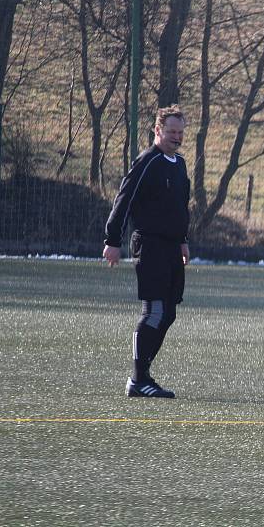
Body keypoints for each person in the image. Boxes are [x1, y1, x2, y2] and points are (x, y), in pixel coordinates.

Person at [103, 105, 191, 399]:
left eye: (180, 132)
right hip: (149, 245)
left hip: (170, 248)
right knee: (155, 311)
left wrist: (183, 240)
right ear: (157, 131)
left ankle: (145, 375)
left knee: (169, 314)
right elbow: (124, 198)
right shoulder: (147, 161)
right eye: (171, 132)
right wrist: (112, 239)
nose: (176, 137)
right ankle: (138, 379)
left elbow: (181, 207)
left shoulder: (179, 164)